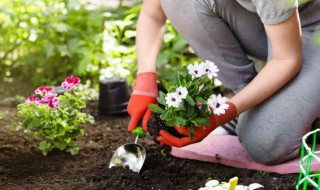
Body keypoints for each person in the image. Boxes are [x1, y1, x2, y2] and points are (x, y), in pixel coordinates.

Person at [126, 0, 320, 165]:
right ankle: (252, 106)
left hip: (313, 30)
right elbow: (153, 13)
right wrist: (145, 79)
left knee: (263, 144)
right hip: (275, 26)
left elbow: (286, 59)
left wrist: (222, 115)